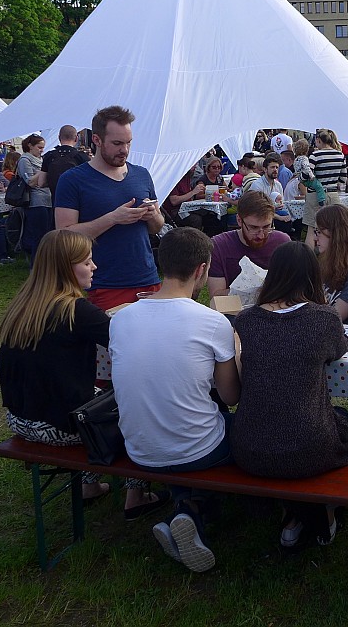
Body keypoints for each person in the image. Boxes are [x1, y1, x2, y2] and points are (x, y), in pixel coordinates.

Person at [0, 229, 168, 519]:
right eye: (87, 262)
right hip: (59, 425)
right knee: (141, 410)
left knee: (100, 394)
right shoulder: (75, 310)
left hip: (20, 417)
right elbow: (132, 346)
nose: (94, 267)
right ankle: (136, 496)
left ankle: (89, 486)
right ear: (66, 268)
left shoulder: (24, 305)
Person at [111, 227, 241, 573]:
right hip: (197, 450)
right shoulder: (213, 322)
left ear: (161, 264)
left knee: (185, 424)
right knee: (239, 430)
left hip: (138, 448)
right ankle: (193, 508)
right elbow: (230, 396)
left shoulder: (120, 318)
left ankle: (187, 511)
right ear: (202, 269)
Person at [231, 242, 348, 547]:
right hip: (309, 449)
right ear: (313, 276)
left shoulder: (245, 320)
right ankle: (322, 509)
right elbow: (339, 348)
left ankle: (294, 515)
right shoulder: (324, 319)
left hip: (249, 448)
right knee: (341, 421)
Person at [54, 106, 164, 311]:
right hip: (104, 283)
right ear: (97, 140)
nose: (125, 150)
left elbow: (156, 227)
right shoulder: (73, 180)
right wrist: (113, 218)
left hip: (148, 279)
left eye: (128, 142)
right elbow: (63, 235)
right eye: (117, 143)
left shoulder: (142, 175)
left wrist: (153, 216)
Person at [207, 191, 290, 298]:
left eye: (266, 227)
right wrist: (250, 290)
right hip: (234, 307)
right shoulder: (219, 246)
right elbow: (216, 296)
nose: (261, 235)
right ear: (239, 220)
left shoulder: (282, 243)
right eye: (253, 228)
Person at [15, 134, 53, 262]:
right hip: (35, 201)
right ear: (30, 146)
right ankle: (35, 264)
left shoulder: (41, 159)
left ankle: (44, 262)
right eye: (39, 147)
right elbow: (30, 181)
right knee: (39, 236)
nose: (42, 150)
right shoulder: (24, 160)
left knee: (47, 234)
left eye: (43, 148)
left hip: (47, 199)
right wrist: (43, 171)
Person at [36, 125, 88, 206]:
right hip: (77, 203)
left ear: (59, 138)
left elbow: (41, 183)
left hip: (57, 203)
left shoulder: (49, 156)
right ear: (76, 138)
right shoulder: (81, 156)